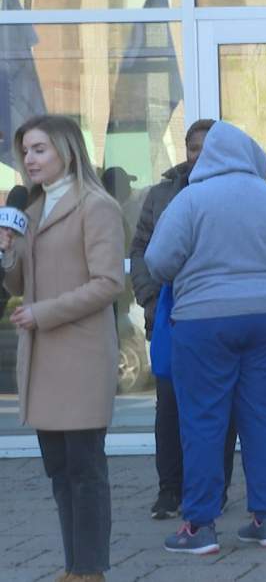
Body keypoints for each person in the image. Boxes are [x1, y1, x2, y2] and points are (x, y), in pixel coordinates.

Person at [145, 121, 266, 554]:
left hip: (204, 321)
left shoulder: (189, 200)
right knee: (263, 417)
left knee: (203, 420)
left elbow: (158, 261)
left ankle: (199, 526)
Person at [0, 115, 126, 582]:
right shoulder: (30, 210)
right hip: (42, 360)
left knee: (85, 471)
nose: (29, 160)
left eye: (39, 150)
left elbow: (109, 283)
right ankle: (74, 567)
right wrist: (6, 250)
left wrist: (43, 313)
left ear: (66, 151)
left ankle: (90, 569)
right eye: (26, 151)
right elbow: (18, 282)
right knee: (59, 471)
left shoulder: (97, 206)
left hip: (80, 356)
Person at [129, 119, 238, 521]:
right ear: (185, 149)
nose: (199, 155)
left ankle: (214, 489)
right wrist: (150, 298)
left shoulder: (234, 192)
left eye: (208, 147)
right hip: (168, 315)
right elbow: (140, 248)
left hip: (215, 316)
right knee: (170, 407)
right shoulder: (160, 196)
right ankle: (169, 490)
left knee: (218, 408)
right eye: (193, 147)